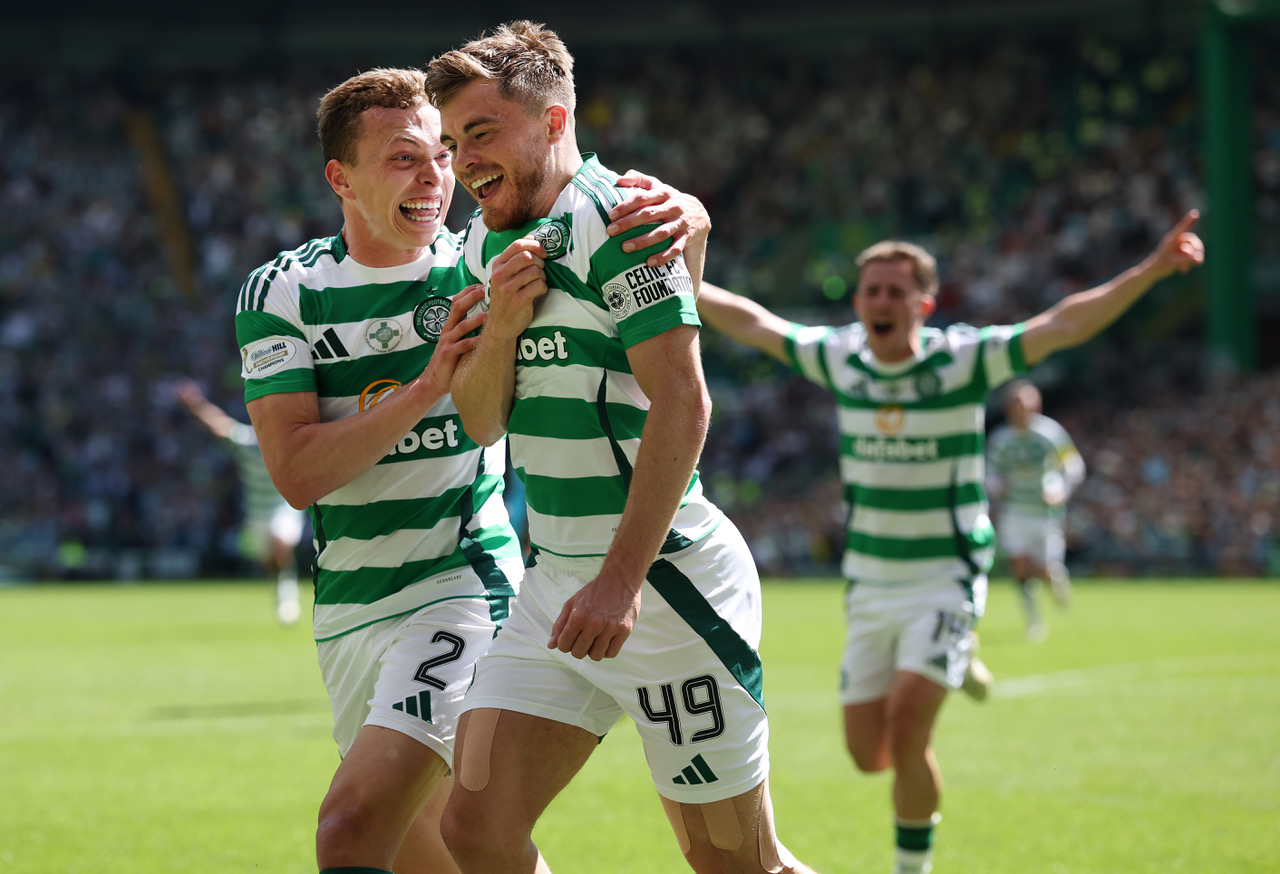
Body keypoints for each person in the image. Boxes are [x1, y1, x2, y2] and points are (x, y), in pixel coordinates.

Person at [233, 67, 711, 874]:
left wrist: (690, 220)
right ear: (340, 179)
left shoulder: (483, 256)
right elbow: (298, 473)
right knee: (442, 852)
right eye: (404, 159)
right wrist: (426, 389)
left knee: (349, 829)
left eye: (443, 155)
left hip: (463, 584)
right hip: (349, 603)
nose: (435, 179)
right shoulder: (284, 290)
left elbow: (631, 286)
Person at [425, 21, 821, 874]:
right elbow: (482, 422)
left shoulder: (622, 218)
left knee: (735, 865)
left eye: (483, 133)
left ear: (555, 121)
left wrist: (619, 582)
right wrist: (501, 332)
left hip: (662, 588)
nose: (463, 161)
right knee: (473, 831)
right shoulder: (475, 246)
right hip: (557, 586)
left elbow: (685, 400)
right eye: (453, 141)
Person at [694, 214, 1203, 873]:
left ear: (924, 304)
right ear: (857, 302)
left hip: (945, 576)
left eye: (895, 292)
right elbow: (754, 322)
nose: (880, 301)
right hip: (871, 585)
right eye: (871, 290)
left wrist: (1153, 269)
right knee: (866, 754)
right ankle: (955, 665)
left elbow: (1062, 324)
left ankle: (914, 866)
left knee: (908, 731)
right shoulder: (842, 358)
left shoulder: (963, 359)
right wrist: (673, 279)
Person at [175, 377, 306, 625]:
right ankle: (279, 587)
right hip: (255, 512)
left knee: (280, 543)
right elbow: (217, 423)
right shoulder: (246, 442)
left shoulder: (286, 442)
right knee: (267, 559)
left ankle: (287, 590)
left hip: (284, 506)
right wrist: (195, 404)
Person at [987, 379, 1086, 642]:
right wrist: (997, 486)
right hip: (1015, 511)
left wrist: (1061, 490)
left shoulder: (1051, 433)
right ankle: (1034, 621)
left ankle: (1055, 577)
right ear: (1009, 407)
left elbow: (1074, 465)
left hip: (1044, 514)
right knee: (1019, 567)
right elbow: (990, 473)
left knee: (1044, 568)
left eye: (1028, 402)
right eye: (1018, 403)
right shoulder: (1001, 439)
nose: (1024, 408)